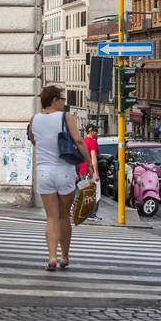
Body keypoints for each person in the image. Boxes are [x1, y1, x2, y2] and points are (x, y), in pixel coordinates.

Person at [29, 86, 94, 271]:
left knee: (51, 217)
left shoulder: (35, 119)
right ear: (54, 100)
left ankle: (51, 257)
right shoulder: (66, 117)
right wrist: (89, 163)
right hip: (64, 170)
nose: (64, 103)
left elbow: (33, 140)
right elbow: (79, 142)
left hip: (43, 172)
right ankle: (64, 257)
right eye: (62, 99)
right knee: (64, 216)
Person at [78, 124, 101, 220]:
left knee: (84, 192)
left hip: (81, 170)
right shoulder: (93, 142)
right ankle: (92, 214)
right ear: (91, 131)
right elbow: (93, 158)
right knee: (95, 194)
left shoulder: (82, 141)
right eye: (95, 131)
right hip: (90, 171)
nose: (97, 133)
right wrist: (96, 173)